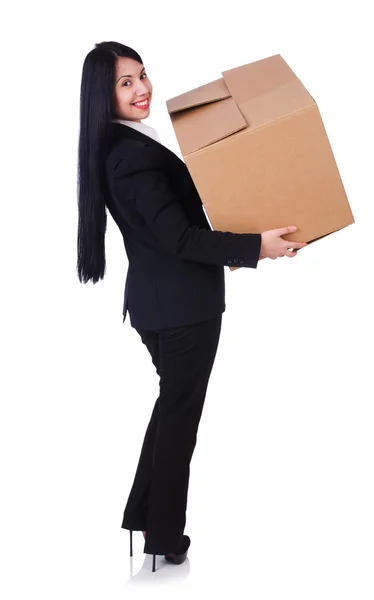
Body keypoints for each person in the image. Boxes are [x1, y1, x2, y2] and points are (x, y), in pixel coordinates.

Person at [76, 40, 307, 572]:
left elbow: (167, 232)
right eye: (125, 82)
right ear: (101, 95)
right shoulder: (128, 156)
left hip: (166, 302)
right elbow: (178, 237)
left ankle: (144, 516)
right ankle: (163, 534)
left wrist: (224, 248)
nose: (142, 88)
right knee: (181, 416)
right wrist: (254, 248)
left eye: (142, 75)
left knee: (172, 408)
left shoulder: (124, 144)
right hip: (182, 309)